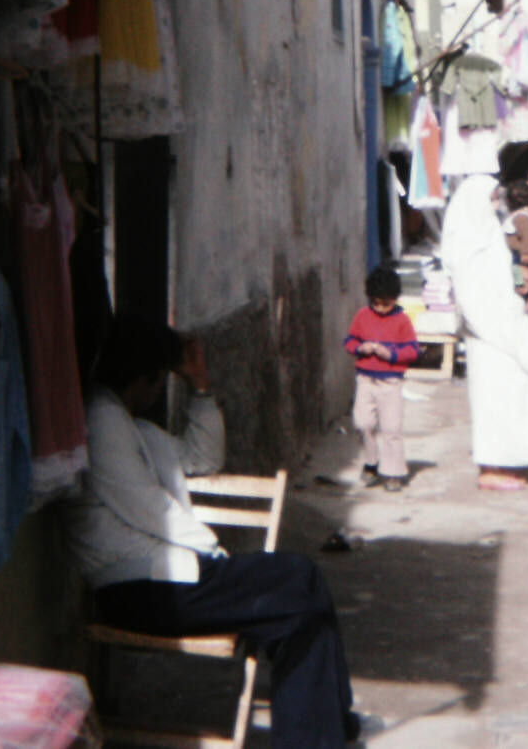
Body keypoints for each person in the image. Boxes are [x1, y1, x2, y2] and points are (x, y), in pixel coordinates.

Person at [62, 315, 361, 748]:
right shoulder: (101, 418)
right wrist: (214, 553)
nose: (161, 388)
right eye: (162, 377)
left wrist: (201, 388)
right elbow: (149, 509)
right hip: (138, 588)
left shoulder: (130, 425)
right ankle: (324, 728)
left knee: (299, 599)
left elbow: (201, 458)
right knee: (298, 584)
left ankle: (332, 722)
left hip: (166, 577)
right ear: (144, 375)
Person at [440, 175, 528, 490]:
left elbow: (508, 272)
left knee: (510, 400)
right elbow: (476, 302)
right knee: (493, 403)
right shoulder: (469, 247)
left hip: (507, 331)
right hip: (492, 339)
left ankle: (506, 462)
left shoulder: (489, 237)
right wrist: (508, 327)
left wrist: (523, 293)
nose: (498, 205)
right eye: (493, 199)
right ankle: (491, 467)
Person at [344, 267, 420, 492]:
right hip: (366, 379)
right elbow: (349, 341)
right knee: (362, 423)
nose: (381, 308)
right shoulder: (362, 316)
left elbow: (413, 350)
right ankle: (371, 462)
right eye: (376, 303)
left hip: (390, 382)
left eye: (386, 304)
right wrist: (360, 347)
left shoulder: (402, 320)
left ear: (395, 300)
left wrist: (393, 355)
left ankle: (393, 472)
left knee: (391, 428)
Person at [502, 178, 528, 312]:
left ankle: (526, 294)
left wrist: (526, 252)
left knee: (520, 276)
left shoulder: (521, 217)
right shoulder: (519, 216)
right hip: (520, 255)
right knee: (521, 275)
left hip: (521, 255)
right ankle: (527, 294)